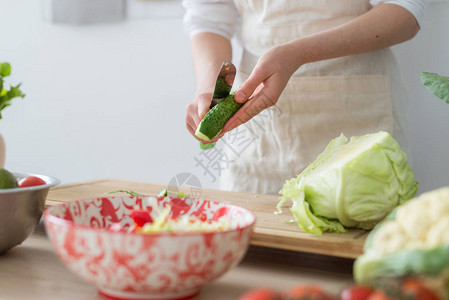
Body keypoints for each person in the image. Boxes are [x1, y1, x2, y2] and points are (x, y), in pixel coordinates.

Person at [183, 0, 427, 195]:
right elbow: (208, 17)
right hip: (258, 126)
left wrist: (298, 53)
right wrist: (209, 90)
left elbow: (405, 13)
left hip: (354, 104)